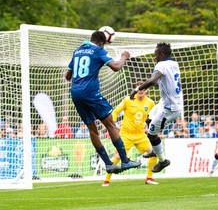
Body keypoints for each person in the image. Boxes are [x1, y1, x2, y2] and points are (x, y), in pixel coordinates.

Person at [65, 30, 141, 174]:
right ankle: (125, 161)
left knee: (92, 129)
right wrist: (124, 57)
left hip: (75, 94)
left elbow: (67, 76)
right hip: (91, 94)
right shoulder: (98, 50)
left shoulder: (77, 51)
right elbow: (116, 67)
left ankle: (108, 164)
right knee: (110, 124)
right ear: (101, 43)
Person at [130, 42, 183, 173]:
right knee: (148, 120)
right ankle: (155, 149)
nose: (155, 58)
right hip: (165, 103)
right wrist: (146, 83)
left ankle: (162, 160)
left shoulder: (162, 64)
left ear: (162, 54)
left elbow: (154, 79)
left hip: (169, 108)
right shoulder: (173, 64)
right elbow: (158, 82)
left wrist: (137, 89)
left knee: (151, 135)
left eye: (156, 55)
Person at [102, 80, 157, 186]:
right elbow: (115, 111)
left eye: (143, 88)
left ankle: (149, 178)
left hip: (140, 135)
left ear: (147, 91)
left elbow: (152, 117)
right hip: (126, 134)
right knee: (118, 157)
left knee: (153, 154)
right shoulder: (128, 100)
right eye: (139, 88)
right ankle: (106, 180)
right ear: (136, 89)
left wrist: (149, 126)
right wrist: (114, 125)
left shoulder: (150, 103)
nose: (141, 90)